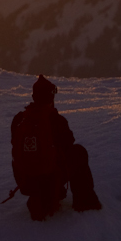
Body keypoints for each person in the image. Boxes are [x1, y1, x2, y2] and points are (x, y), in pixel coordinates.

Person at [10, 75, 103, 221]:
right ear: (51, 97)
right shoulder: (56, 120)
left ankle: (43, 195)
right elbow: (68, 144)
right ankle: (85, 203)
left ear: (34, 96)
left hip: (25, 181)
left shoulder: (19, 119)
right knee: (78, 152)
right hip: (49, 178)